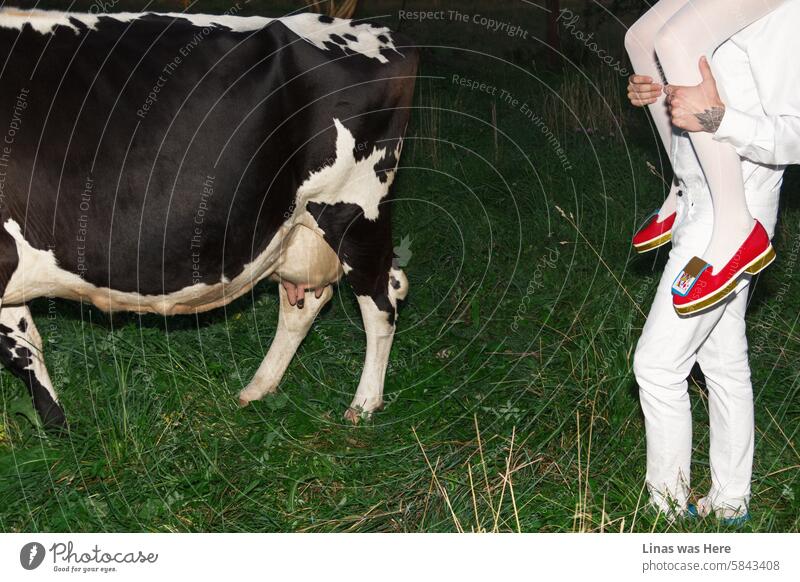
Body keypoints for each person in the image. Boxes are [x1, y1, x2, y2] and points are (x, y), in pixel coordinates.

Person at [625, 0, 800, 522]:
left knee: (655, 366)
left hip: (736, 209)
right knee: (723, 363)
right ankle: (730, 503)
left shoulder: (780, 15)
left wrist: (717, 117)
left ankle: (666, 513)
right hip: (694, 200)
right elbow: (687, 101)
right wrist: (656, 94)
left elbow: (794, 131)